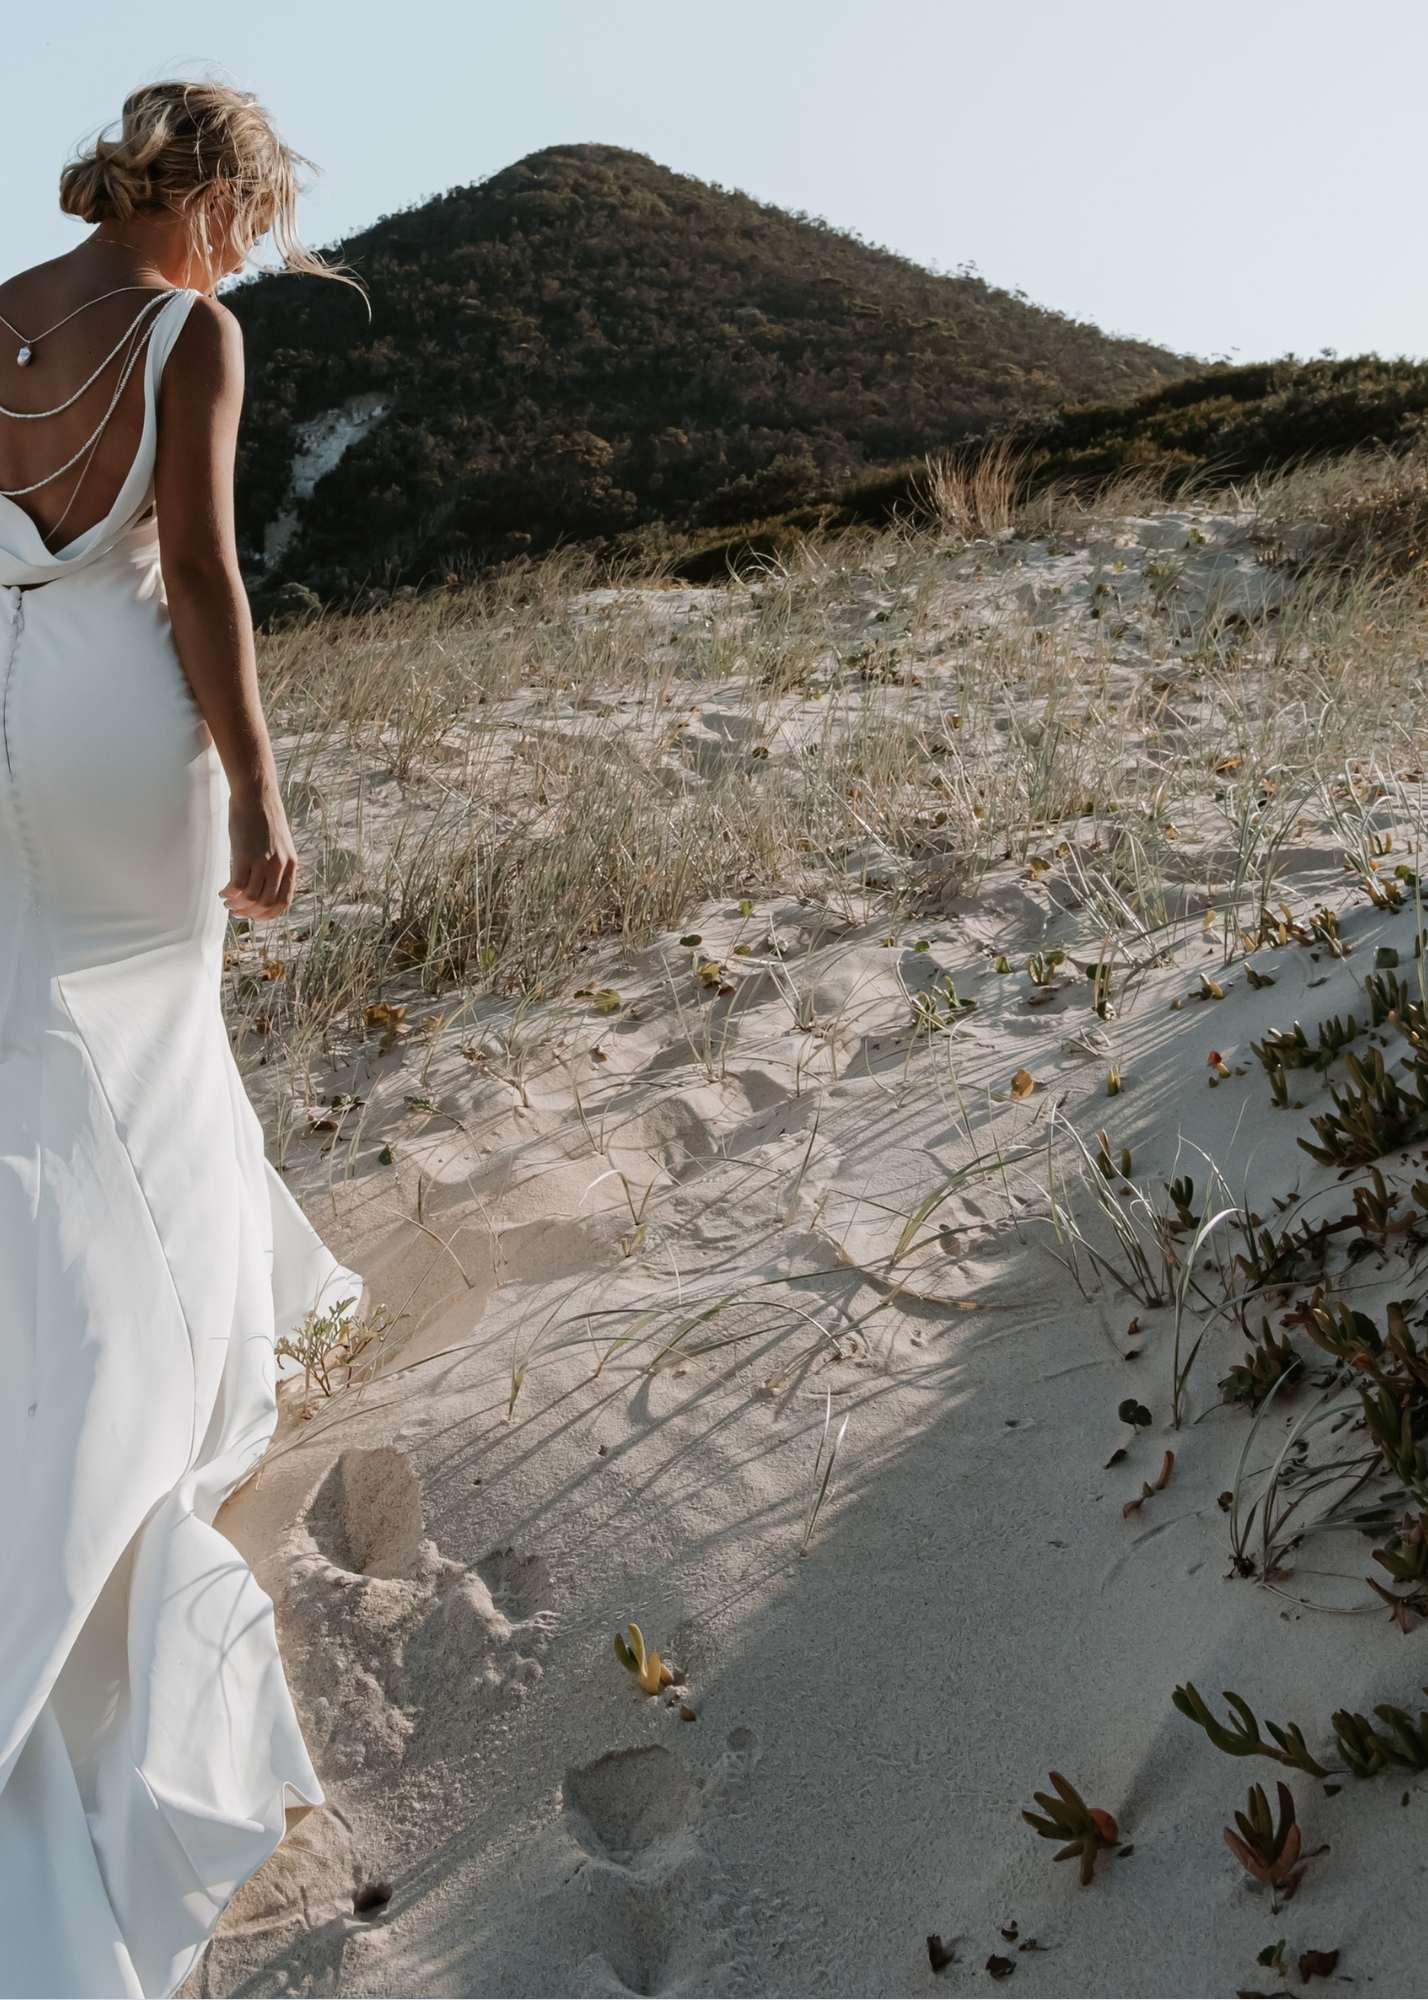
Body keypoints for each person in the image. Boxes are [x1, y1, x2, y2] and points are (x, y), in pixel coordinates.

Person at [0, 80, 362, 1997]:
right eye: (253, 219)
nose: (246, 257)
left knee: (34, 1055)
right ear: (213, 197)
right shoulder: (189, 336)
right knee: (147, 1051)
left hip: (2, 719)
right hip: (121, 737)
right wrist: (263, 795)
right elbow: (205, 575)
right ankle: (148, 1388)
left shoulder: (0, 311)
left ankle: (48, 1331)